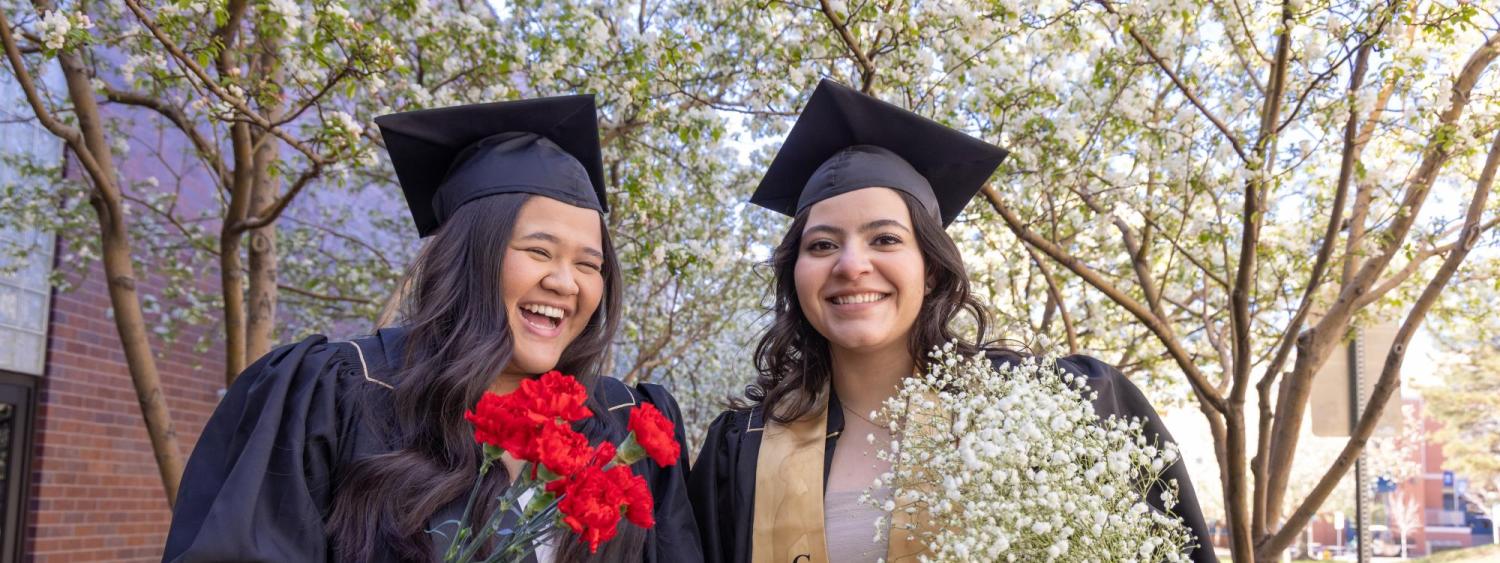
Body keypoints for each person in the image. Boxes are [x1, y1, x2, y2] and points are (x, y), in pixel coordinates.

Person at [687, 79, 1214, 563]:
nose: (850, 266)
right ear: (796, 276)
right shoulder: (743, 450)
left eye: (885, 239)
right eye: (822, 245)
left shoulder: (1048, 408)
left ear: (933, 270)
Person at [164, 96, 702, 562]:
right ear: (467, 255)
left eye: (590, 264)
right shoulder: (340, 392)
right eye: (539, 251)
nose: (566, 282)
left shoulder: (618, 422)